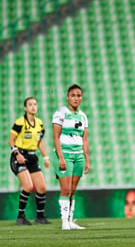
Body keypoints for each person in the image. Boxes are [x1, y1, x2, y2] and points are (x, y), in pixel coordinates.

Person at [52, 84, 90, 230]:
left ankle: (70, 221)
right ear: (68, 97)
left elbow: (85, 139)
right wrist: (60, 157)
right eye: (73, 95)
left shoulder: (83, 116)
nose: (76, 98)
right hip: (65, 155)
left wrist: (87, 159)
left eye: (79, 95)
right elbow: (56, 136)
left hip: (78, 156)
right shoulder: (61, 113)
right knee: (65, 189)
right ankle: (64, 222)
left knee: (73, 190)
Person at [8, 97, 51, 225]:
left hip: (32, 157)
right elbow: (11, 140)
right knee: (27, 186)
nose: (33, 107)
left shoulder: (39, 123)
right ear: (25, 108)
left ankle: (40, 217)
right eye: (30, 104)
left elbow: (40, 142)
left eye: (35, 104)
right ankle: (20, 216)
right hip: (19, 156)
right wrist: (16, 153)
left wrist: (46, 157)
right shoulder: (20, 122)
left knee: (42, 188)